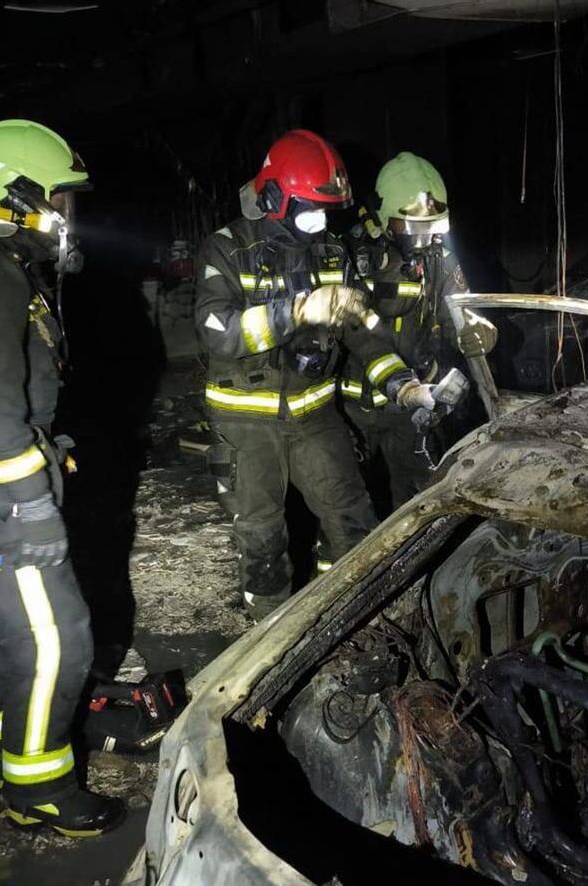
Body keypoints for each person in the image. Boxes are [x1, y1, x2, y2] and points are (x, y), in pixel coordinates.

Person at [0, 119, 124, 837]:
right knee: (59, 638)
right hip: (2, 491)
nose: (68, 217)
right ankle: (40, 787)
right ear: (17, 198)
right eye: (60, 202)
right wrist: (33, 500)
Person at [196, 130, 433, 618]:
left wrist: (399, 383)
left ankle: (351, 619)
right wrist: (298, 310)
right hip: (247, 421)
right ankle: (269, 640)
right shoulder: (226, 250)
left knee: (353, 519)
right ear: (273, 197)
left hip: (316, 414)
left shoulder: (331, 254)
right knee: (262, 537)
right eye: (309, 209)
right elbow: (218, 332)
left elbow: (362, 334)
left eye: (326, 212)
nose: (318, 223)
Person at [341, 151, 497, 510]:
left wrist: (480, 328)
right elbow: (352, 332)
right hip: (357, 406)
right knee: (349, 505)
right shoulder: (349, 255)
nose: (424, 239)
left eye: (433, 227)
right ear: (383, 217)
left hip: (416, 405)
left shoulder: (440, 257)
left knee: (418, 501)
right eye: (412, 227)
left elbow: (463, 307)